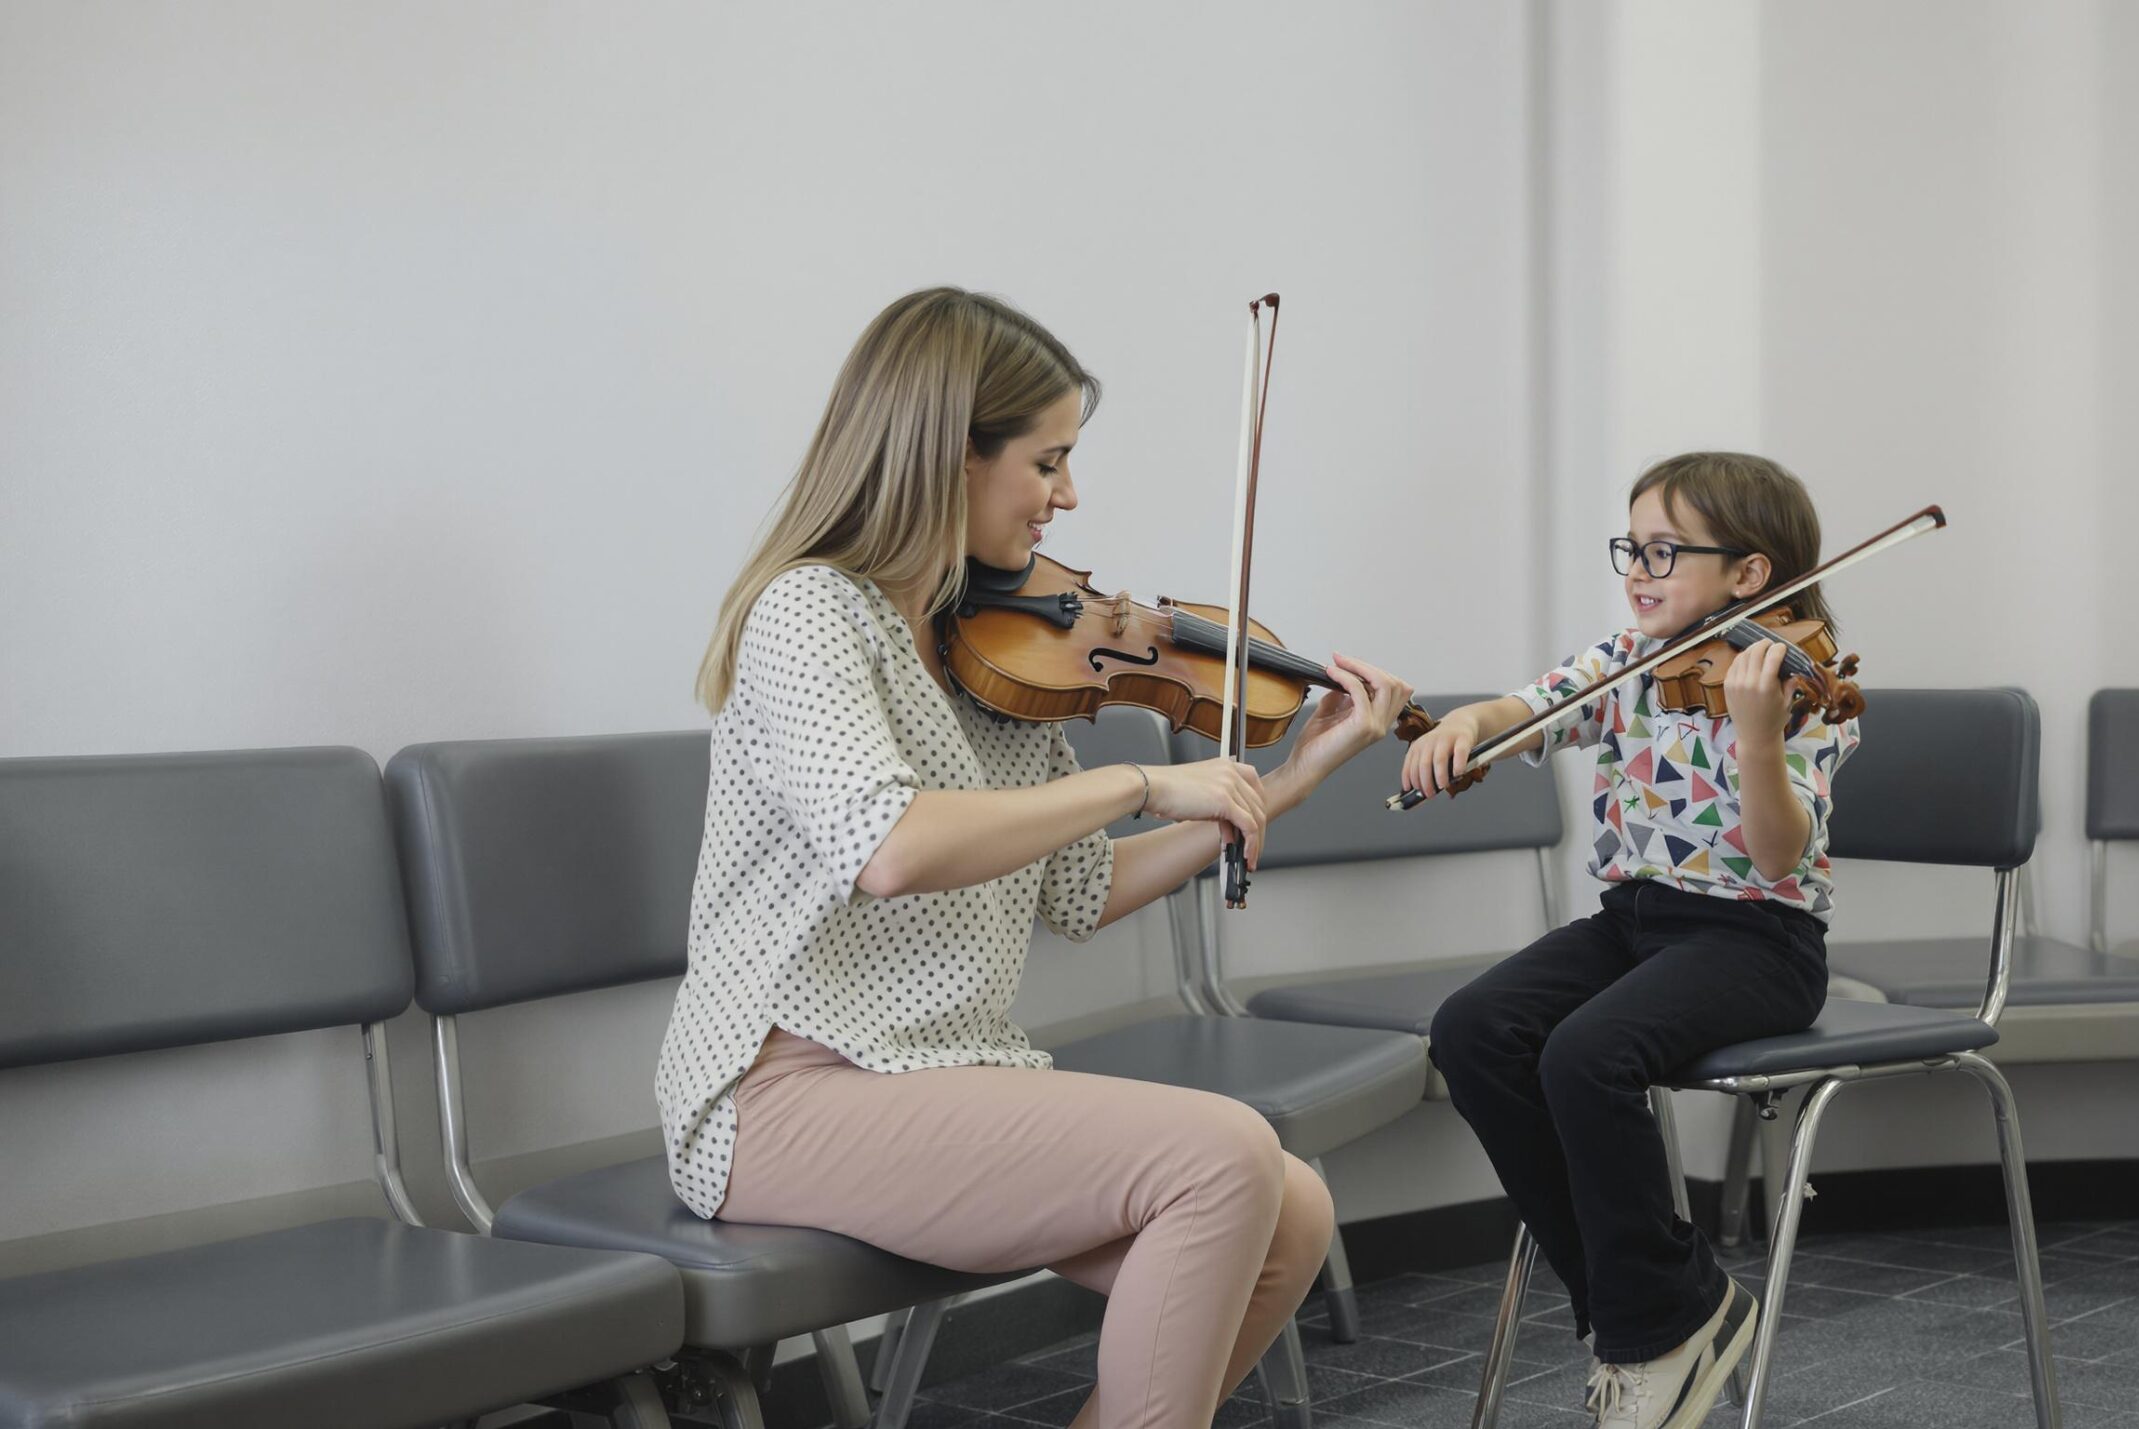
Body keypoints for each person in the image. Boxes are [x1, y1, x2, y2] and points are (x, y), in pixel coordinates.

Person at [656, 286, 1416, 1429]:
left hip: (939, 1073)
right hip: (781, 1092)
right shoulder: (809, 612)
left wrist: (1292, 776)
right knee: (1224, 1157)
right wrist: (1135, 778)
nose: (1069, 496)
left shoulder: (990, 647)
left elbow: (1077, 885)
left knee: (1292, 1210)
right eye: (1048, 461)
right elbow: (893, 849)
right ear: (943, 455)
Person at [1406, 452, 1859, 1429]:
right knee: (1473, 1028)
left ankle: (1646, 1326)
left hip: (1758, 942)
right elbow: (1521, 711)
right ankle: (1664, 1306)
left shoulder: (1795, 683)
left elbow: (1780, 859)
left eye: (1663, 550)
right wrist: (1467, 726)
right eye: (1631, 547)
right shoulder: (1624, 661)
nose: (1637, 569)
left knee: (1586, 1052)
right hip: (1635, 924)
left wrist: (1758, 740)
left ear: (1748, 574)